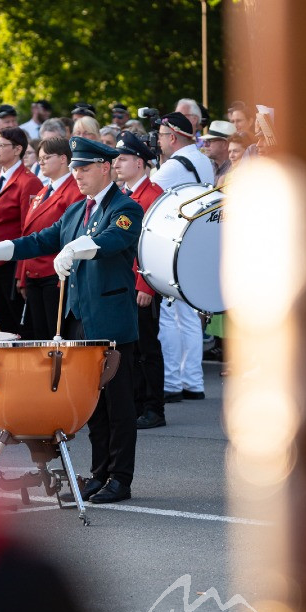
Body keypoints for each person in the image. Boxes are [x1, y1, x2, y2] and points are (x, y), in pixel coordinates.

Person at [0, 137, 143, 504]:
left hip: (110, 320)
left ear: (104, 168)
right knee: (92, 403)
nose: (77, 174)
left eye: (84, 168)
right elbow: (41, 240)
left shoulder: (125, 207)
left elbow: (113, 239)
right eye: (75, 168)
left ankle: (120, 477)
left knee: (118, 404)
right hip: (78, 319)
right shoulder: (76, 211)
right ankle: (100, 472)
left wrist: (76, 247)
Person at [153, 111, 214, 402]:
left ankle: (171, 382)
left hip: (173, 244)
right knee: (189, 316)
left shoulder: (173, 166)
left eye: (161, 136)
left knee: (168, 315)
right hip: (198, 242)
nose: (158, 141)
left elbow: (148, 193)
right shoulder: (202, 160)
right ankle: (193, 381)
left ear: (173, 137)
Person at [113, 132, 166, 429]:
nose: (116, 164)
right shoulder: (125, 194)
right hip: (125, 283)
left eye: (123, 159)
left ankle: (154, 407)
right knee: (132, 348)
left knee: (147, 348)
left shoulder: (152, 195)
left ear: (139, 162)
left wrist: (145, 285)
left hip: (141, 283)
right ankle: (136, 403)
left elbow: (153, 246)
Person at [16, 137, 81, 339]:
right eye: (40, 158)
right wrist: (23, 274)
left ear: (63, 158)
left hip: (56, 274)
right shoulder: (44, 191)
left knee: (56, 335)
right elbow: (29, 233)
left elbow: (72, 237)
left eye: (46, 157)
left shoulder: (75, 191)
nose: (41, 162)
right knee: (40, 335)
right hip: (34, 273)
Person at [0, 127, 43, 334]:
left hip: (12, 262)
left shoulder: (28, 181)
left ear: (17, 149)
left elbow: (29, 229)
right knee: (2, 321)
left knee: (18, 324)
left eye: (1, 145)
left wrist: (21, 273)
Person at [202, 119, 236, 187]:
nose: (205, 145)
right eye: (205, 141)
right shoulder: (207, 166)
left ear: (224, 144)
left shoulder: (236, 170)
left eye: (209, 141)